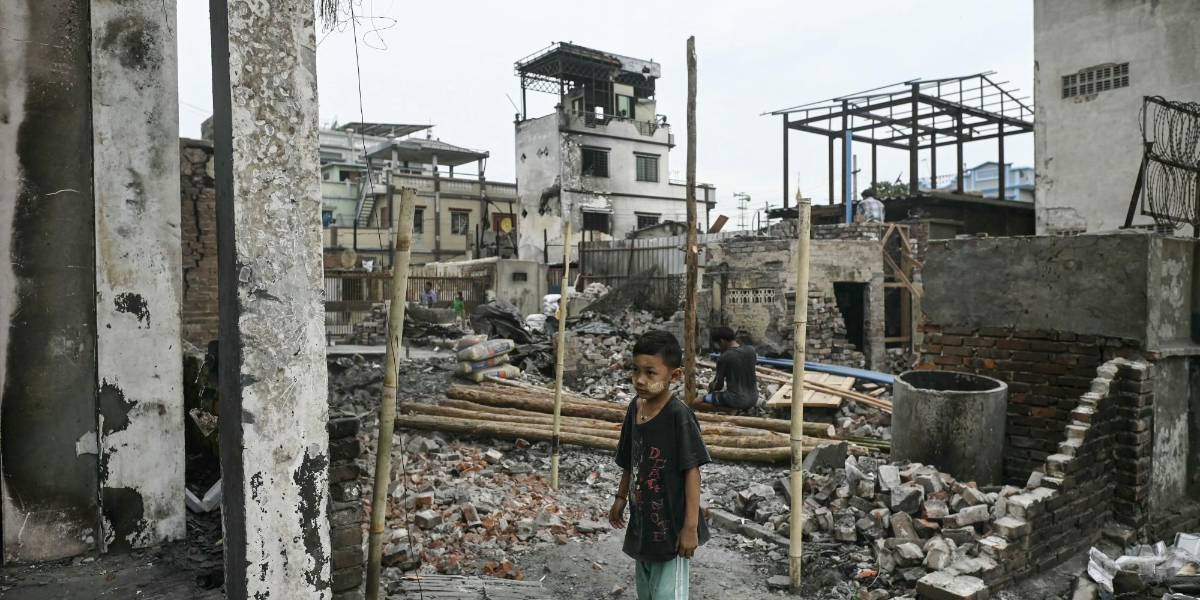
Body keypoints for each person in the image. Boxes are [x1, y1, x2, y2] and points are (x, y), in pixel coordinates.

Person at [609, 330, 710, 600]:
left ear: (673, 376)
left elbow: (692, 472)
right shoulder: (635, 408)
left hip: (672, 530)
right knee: (648, 593)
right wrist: (620, 497)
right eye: (635, 370)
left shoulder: (679, 416)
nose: (640, 380)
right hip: (644, 525)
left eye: (650, 373)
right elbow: (631, 457)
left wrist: (690, 528)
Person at [702, 326, 759, 410]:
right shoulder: (751, 350)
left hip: (737, 400)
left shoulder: (724, 357)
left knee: (696, 402)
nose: (719, 348)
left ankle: (731, 410)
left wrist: (710, 387)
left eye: (718, 344)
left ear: (721, 341)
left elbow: (718, 385)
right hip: (754, 398)